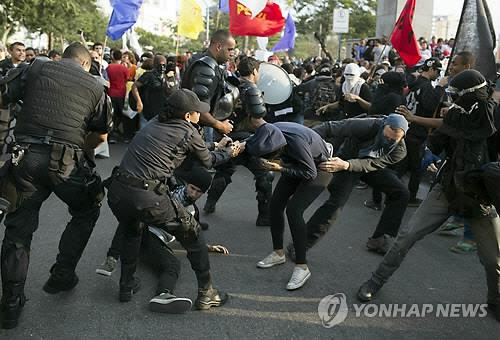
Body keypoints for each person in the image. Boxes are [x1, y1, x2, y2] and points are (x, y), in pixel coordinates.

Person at [357, 70, 500, 323]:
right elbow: (438, 141)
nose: (453, 100)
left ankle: (495, 300)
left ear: (473, 94)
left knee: (493, 260)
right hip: (447, 188)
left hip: (481, 197)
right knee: (406, 237)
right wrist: (428, 154)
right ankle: (375, 281)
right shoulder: (455, 114)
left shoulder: (496, 117)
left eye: (457, 95)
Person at [0, 42, 112, 329]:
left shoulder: (34, 66)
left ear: (62, 58)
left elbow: (4, 96)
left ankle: (11, 304)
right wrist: (77, 151)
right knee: (88, 208)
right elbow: (100, 137)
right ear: (87, 64)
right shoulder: (97, 87)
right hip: (68, 163)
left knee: (18, 231)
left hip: (25, 159)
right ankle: (62, 273)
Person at [105, 89, 243, 310]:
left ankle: (126, 286)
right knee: (193, 233)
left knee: (132, 231)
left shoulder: (154, 122)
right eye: (197, 112)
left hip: (118, 191)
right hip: (147, 196)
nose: (201, 115)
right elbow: (208, 162)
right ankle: (208, 294)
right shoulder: (189, 130)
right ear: (188, 116)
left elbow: (181, 148)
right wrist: (230, 152)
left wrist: (214, 146)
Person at [97, 166, 229, 313]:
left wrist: (207, 247)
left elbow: (191, 236)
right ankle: (114, 259)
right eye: (192, 188)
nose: (193, 193)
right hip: (145, 234)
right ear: (186, 184)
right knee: (135, 221)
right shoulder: (172, 196)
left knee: (171, 263)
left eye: (198, 192)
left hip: (153, 241)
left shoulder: (192, 210)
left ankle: (159, 293)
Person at [247, 121, 333, 290]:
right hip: (295, 162)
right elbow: (249, 143)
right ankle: (278, 253)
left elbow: (310, 173)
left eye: (271, 156)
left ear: (278, 150)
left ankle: (302, 266)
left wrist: (280, 168)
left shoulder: (296, 143)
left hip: (319, 167)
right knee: (275, 204)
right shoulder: (268, 132)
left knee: (294, 211)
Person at [203, 57, 274, 226]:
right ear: (255, 71)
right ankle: (264, 217)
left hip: (226, 136)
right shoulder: (251, 89)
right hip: (248, 141)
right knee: (265, 174)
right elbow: (257, 120)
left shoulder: (229, 84)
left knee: (224, 171)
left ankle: (209, 204)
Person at [401, 57, 446, 207]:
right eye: (437, 71)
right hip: (417, 130)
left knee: (402, 165)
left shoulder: (415, 83)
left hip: (408, 129)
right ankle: (410, 197)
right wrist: (440, 88)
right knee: (416, 168)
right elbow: (430, 105)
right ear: (432, 69)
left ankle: (393, 193)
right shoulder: (426, 86)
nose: (438, 74)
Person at [181, 29, 236, 136]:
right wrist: (220, 125)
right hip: (194, 129)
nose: (232, 54)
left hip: (201, 126)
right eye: (229, 49)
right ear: (219, 47)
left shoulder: (210, 64)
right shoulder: (206, 67)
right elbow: (197, 107)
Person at [107, 49, 131, 143]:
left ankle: (112, 134)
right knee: (122, 115)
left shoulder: (109, 67)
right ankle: (124, 135)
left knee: (112, 115)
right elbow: (128, 78)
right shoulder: (124, 68)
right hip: (121, 94)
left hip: (111, 93)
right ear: (121, 58)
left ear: (113, 57)